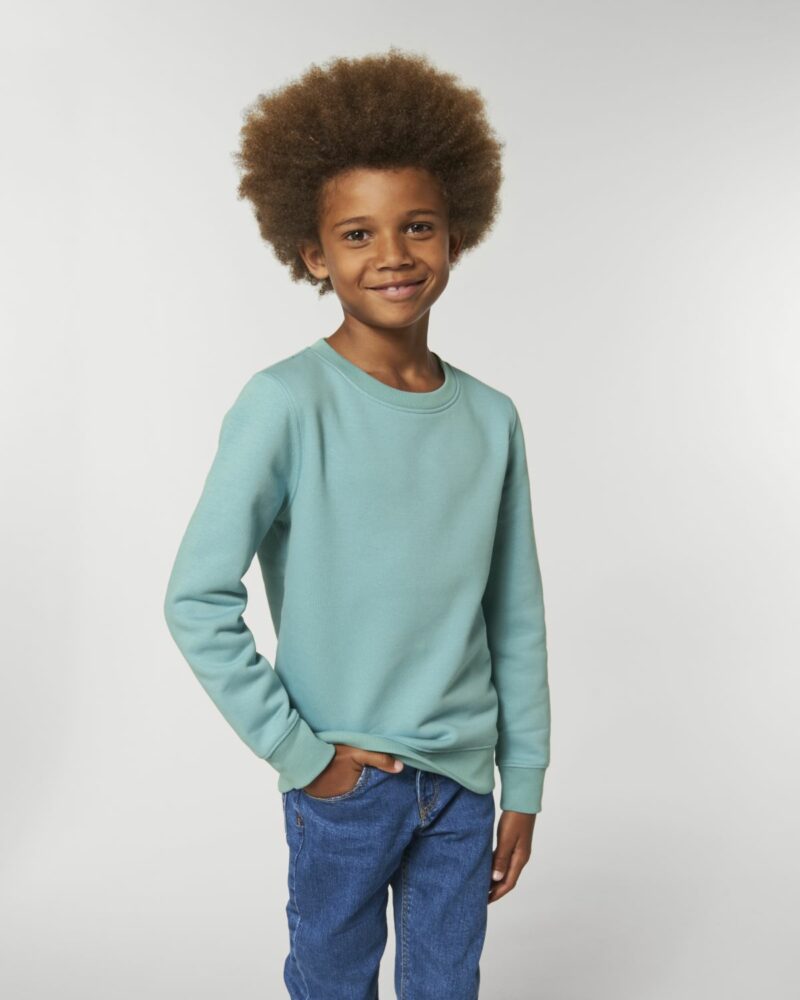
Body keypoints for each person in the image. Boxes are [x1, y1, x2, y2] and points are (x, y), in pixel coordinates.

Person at [163, 47, 551, 1000]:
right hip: (346, 784)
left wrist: (524, 778)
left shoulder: (491, 418)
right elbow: (196, 599)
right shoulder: (285, 404)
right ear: (313, 254)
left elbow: (514, 615)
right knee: (332, 986)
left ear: (456, 233)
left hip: (463, 788)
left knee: (445, 989)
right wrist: (304, 757)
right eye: (357, 234)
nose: (393, 255)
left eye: (417, 226)